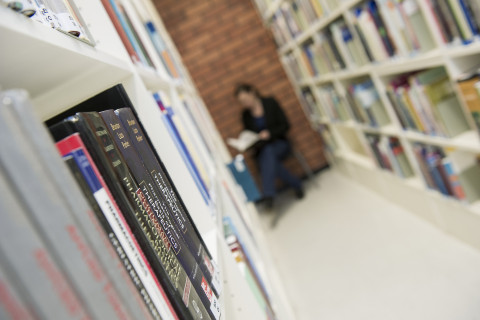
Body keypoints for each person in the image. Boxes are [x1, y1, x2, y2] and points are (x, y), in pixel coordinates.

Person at [234, 83, 304, 209]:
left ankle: (268, 194)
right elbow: (249, 135)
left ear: (252, 92)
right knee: (268, 156)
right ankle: (296, 184)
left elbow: (285, 126)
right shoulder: (246, 115)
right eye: (242, 102)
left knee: (268, 154)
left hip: (280, 144)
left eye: (245, 99)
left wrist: (270, 133)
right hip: (262, 150)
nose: (245, 104)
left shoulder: (270, 103)